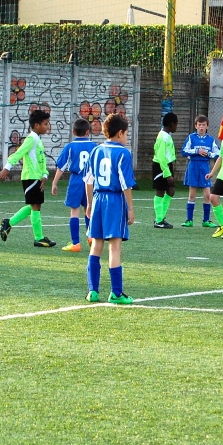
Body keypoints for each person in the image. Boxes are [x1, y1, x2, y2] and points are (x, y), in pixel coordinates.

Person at [84, 113, 137, 304]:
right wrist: (130, 208)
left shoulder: (96, 150)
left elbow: (88, 180)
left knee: (96, 245)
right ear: (120, 133)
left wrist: (90, 203)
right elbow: (125, 184)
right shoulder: (123, 153)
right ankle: (116, 293)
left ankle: (93, 291)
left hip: (98, 199)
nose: (126, 137)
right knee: (114, 247)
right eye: (127, 133)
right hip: (114, 200)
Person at [0, 109, 56, 248]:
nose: (47, 126)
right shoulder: (31, 139)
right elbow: (18, 153)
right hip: (30, 177)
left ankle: (8, 222)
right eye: (45, 124)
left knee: (35, 205)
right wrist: (7, 167)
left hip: (37, 177)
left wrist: (44, 175)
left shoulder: (38, 140)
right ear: (37, 125)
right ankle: (39, 238)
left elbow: (42, 160)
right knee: (35, 206)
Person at [51, 118, 95, 252]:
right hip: (91, 181)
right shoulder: (95, 146)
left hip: (76, 180)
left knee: (74, 211)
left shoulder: (70, 147)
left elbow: (61, 166)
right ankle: (91, 237)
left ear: (73, 132)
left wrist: (54, 183)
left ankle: (76, 243)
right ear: (88, 132)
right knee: (89, 209)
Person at [180, 114, 220, 228]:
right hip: (193, 166)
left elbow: (218, 154)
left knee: (207, 195)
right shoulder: (191, 137)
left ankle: (206, 220)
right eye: (199, 125)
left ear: (207, 126)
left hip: (204, 167)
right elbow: (184, 151)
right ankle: (189, 220)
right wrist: (197, 151)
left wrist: (208, 154)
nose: (201, 127)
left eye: (203, 125)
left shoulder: (210, 140)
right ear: (195, 126)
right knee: (192, 194)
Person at [152, 112, 179, 229]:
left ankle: (160, 217)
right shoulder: (163, 137)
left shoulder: (166, 135)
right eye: (176, 124)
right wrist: (167, 174)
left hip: (166, 165)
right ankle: (159, 220)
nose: (177, 127)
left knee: (171, 191)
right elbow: (161, 157)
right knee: (160, 191)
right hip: (161, 166)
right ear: (172, 124)